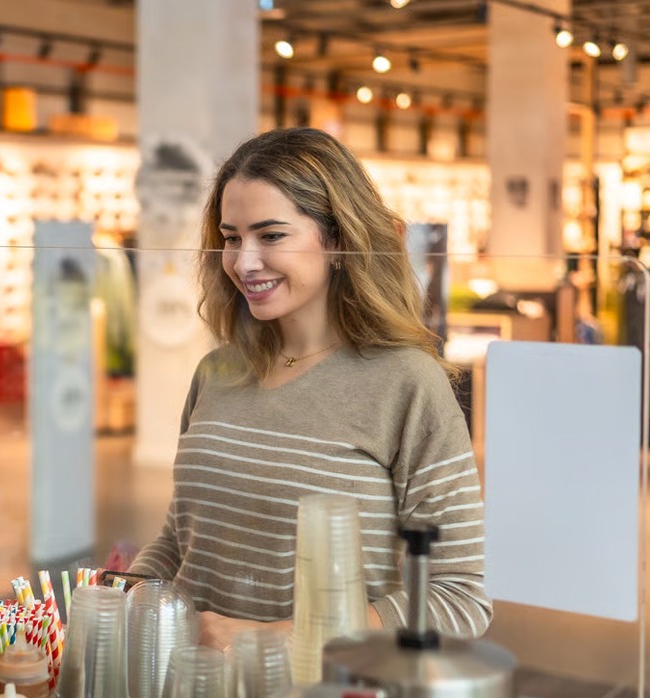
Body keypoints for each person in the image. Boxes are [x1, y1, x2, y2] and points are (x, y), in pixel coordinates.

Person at [129, 127, 491, 649]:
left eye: (271, 236)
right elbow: (182, 539)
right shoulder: (217, 372)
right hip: (191, 696)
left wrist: (277, 640)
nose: (243, 262)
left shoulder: (407, 382)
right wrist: (130, 594)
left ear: (339, 240)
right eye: (231, 238)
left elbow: (457, 595)